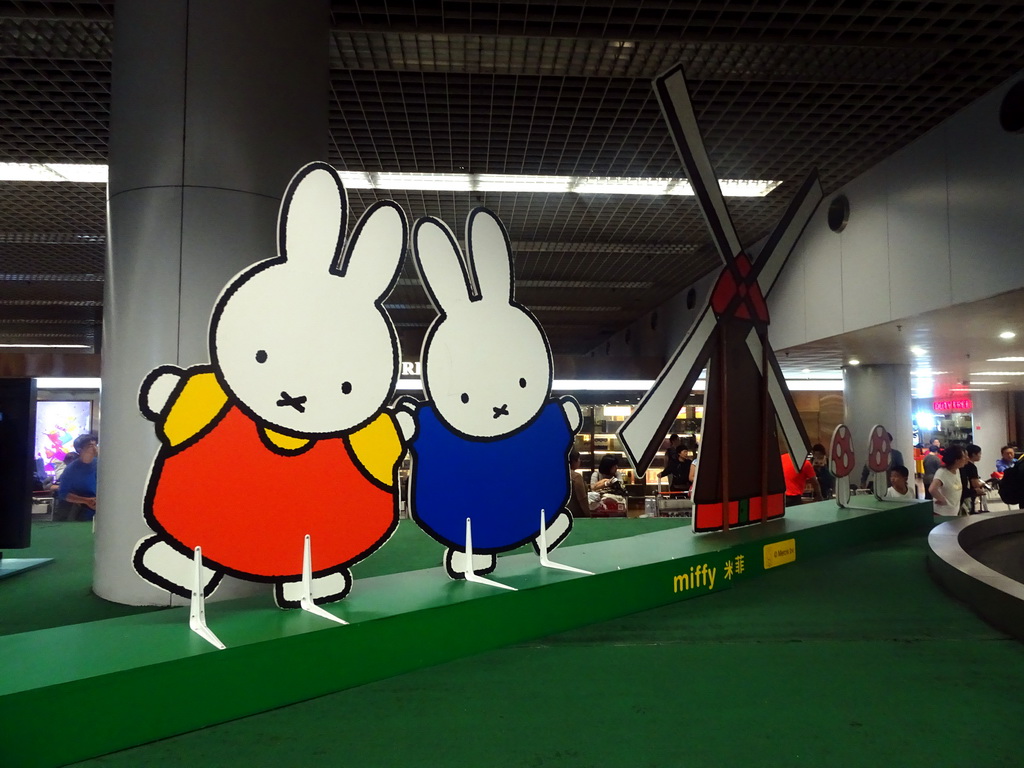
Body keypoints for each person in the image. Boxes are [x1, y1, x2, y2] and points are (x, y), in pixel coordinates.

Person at [56, 434, 98, 522]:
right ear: (80, 450)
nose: (95, 449)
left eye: (95, 445)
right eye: (90, 446)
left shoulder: (101, 464)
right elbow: (63, 493)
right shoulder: (71, 469)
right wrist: (86, 501)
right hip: (85, 511)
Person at [928, 445, 966, 516]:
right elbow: (932, 489)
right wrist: (942, 499)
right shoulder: (942, 472)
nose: (965, 459)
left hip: (953, 511)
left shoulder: (957, 470)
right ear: (957, 460)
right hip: (942, 513)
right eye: (963, 457)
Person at [960, 444, 984, 513]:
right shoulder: (972, 467)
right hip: (969, 493)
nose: (980, 456)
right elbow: (975, 484)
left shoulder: (963, 466)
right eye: (979, 453)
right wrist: (981, 484)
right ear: (973, 454)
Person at [566, 449, 590, 518]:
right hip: (576, 514)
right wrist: (588, 515)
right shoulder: (576, 477)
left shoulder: (558, 475)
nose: (580, 461)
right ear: (574, 461)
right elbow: (582, 499)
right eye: (579, 459)